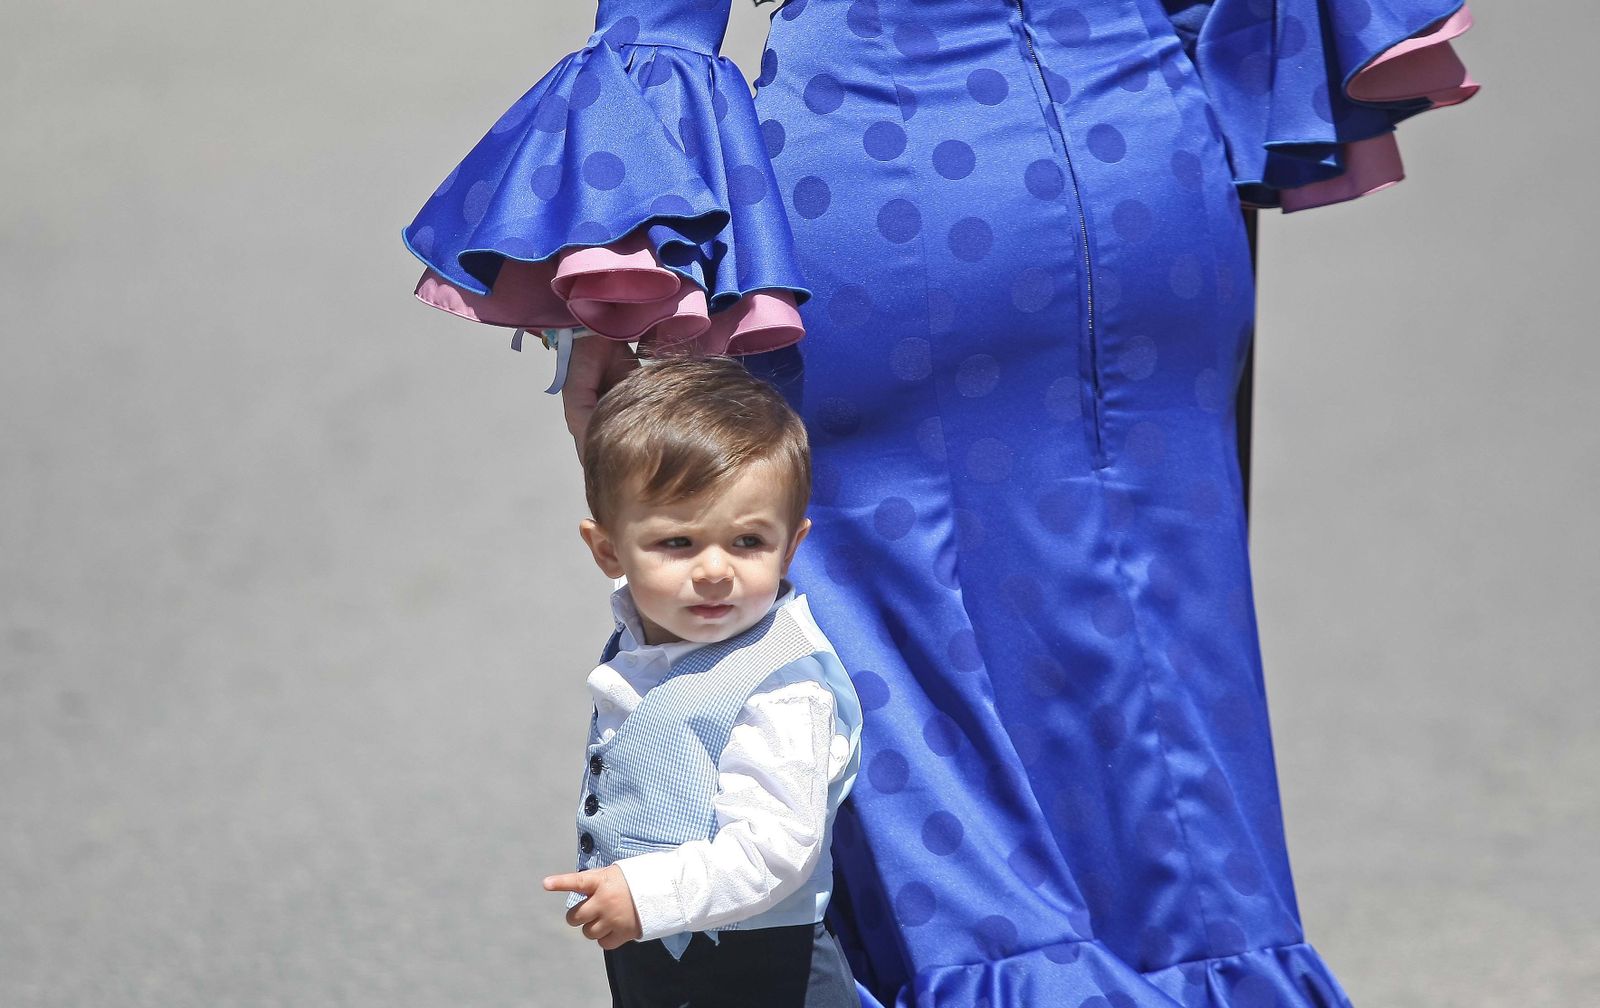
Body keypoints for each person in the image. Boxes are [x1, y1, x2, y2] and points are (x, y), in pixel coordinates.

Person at [400, 1, 1479, 1004]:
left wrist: (612, 289)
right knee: (1167, 747)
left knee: (938, 790)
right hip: (1149, 174)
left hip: (886, 188)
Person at [540, 356, 863, 1008]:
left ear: (791, 546)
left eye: (748, 542)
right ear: (609, 552)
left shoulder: (779, 689)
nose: (715, 570)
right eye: (679, 543)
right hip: (660, 952)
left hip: (760, 971)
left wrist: (647, 893)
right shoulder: (654, 631)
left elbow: (777, 848)